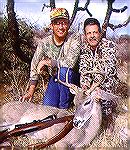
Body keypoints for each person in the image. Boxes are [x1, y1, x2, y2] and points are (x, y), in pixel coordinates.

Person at [21, 8, 81, 109]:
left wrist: (48, 62)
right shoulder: (44, 43)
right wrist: (31, 91)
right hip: (56, 80)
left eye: (64, 23)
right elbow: (34, 65)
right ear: (51, 26)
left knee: (63, 72)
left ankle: (64, 110)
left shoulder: (74, 38)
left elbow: (70, 63)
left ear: (69, 24)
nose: (61, 27)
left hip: (73, 82)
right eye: (57, 23)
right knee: (47, 109)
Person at [79, 18, 118, 132]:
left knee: (104, 95)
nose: (92, 36)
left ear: (100, 33)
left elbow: (108, 71)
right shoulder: (84, 49)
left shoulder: (109, 45)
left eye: (95, 32)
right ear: (85, 35)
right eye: (89, 33)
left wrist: (95, 87)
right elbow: (84, 71)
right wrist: (85, 87)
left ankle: (109, 118)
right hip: (92, 87)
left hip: (106, 84)